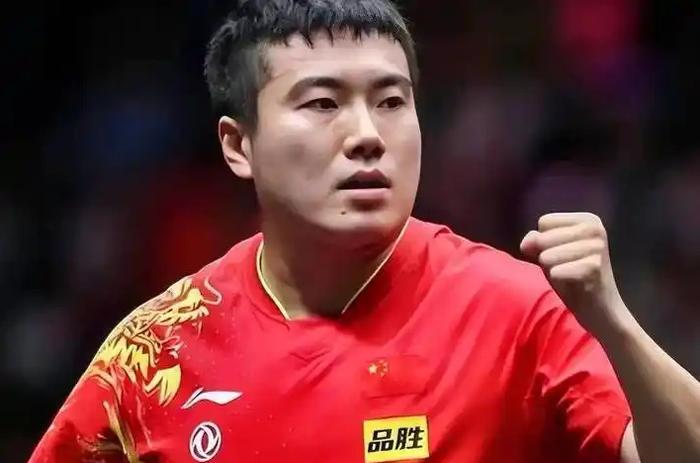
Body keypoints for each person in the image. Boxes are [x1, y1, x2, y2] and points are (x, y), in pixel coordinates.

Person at [29, 1, 700, 462]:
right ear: (238, 146)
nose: (367, 135)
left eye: (391, 101)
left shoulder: (517, 309)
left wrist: (614, 322)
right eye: (323, 103)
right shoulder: (157, 351)